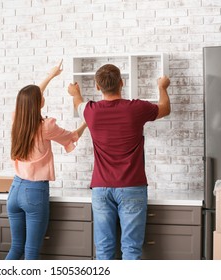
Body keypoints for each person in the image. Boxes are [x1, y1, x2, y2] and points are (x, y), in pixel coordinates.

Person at [68, 64, 171, 260]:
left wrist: (74, 92)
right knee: (131, 250)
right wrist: (162, 87)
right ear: (122, 83)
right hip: (132, 186)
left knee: (104, 251)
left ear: (98, 87)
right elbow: (165, 109)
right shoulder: (137, 108)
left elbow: (78, 102)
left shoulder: (91, 111)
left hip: (100, 189)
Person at [6, 60, 88, 260]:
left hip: (15, 191)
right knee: (31, 251)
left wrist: (50, 76)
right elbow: (71, 137)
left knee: (16, 248)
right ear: (40, 102)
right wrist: (88, 120)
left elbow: (31, 98)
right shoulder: (46, 127)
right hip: (34, 192)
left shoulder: (18, 119)